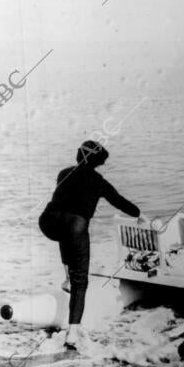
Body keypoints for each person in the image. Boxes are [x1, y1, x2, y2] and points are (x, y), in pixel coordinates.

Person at [39, 140, 149, 350]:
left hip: (48, 221)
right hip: (75, 226)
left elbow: (64, 200)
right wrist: (140, 215)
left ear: (78, 156)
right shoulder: (98, 181)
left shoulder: (64, 173)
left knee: (65, 232)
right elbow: (119, 201)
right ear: (98, 163)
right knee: (82, 282)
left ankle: (67, 278)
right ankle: (72, 333)